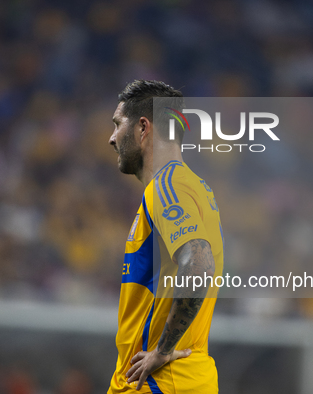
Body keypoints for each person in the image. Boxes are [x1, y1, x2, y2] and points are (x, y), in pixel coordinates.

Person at [107, 80, 224, 393]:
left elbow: (199, 264)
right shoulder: (191, 188)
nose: (111, 138)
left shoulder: (167, 186)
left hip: (161, 382)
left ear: (143, 128)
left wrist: (162, 350)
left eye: (117, 125)